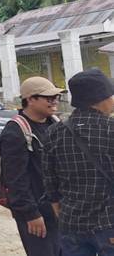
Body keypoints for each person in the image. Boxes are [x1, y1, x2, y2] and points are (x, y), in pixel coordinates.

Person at [44, 68, 114, 256]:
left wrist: (63, 212)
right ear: (101, 99)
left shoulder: (54, 132)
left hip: (71, 224)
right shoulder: (111, 129)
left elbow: (50, 182)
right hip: (109, 224)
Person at [0, 76, 64, 256]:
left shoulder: (55, 124)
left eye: (56, 97)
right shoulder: (16, 132)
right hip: (36, 213)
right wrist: (31, 214)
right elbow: (15, 179)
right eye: (48, 98)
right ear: (30, 100)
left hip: (59, 210)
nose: (54, 102)